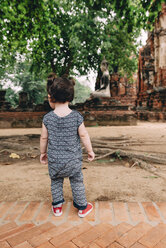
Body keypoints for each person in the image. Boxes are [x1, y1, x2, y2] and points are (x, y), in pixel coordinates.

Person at [40, 76, 95, 218]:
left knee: (56, 181)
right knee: (77, 181)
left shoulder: (47, 118)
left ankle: (57, 207)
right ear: (70, 97)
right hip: (73, 160)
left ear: (51, 97)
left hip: (55, 160)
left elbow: (44, 137)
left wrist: (42, 153)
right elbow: (84, 135)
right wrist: (90, 151)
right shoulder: (76, 116)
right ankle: (82, 207)